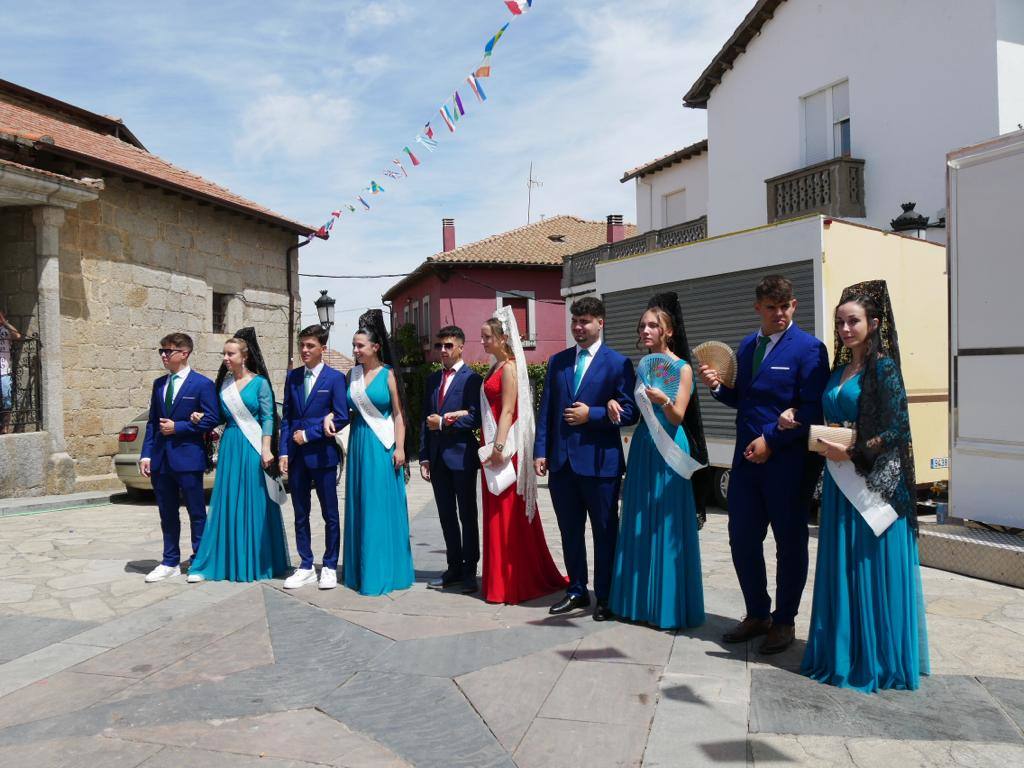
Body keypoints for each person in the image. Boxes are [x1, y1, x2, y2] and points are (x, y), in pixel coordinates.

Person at [791, 282, 929, 692]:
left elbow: (896, 428)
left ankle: (874, 658)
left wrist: (851, 452)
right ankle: (842, 651)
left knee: (867, 568)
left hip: (868, 485)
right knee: (842, 566)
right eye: (840, 322)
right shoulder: (838, 371)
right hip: (838, 485)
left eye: (854, 321)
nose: (846, 328)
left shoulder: (882, 368)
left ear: (874, 323)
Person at [698, 275, 830, 654]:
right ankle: (758, 613)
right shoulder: (746, 345)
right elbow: (743, 399)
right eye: (771, 307)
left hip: (789, 465)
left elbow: (812, 409)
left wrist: (771, 440)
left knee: (789, 545)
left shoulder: (810, 350)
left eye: (785, 306)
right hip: (747, 463)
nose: (780, 314)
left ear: (795, 306)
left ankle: (784, 621)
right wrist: (717, 386)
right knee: (741, 539)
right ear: (758, 308)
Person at [535, 296, 638, 621]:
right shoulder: (558, 361)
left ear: (600, 323)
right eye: (575, 322)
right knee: (569, 531)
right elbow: (547, 410)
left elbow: (630, 412)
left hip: (600, 464)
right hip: (562, 464)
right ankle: (577, 590)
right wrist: (541, 450)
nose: (579, 328)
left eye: (585, 322)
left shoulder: (618, 363)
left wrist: (591, 414)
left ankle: (606, 596)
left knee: (605, 532)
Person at [609, 293, 706, 629]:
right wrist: (616, 407)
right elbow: (636, 411)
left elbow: (678, 416)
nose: (646, 330)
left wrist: (663, 398)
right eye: (643, 326)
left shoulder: (683, 368)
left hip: (669, 446)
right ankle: (637, 602)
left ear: (668, 331)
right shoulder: (644, 365)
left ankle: (665, 606)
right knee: (638, 519)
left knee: (665, 521)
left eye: (653, 325)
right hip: (643, 445)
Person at [477, 308, 567, 604]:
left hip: (505, 450)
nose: (483, 342)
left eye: (487, 337)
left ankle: (512, 581)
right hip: (493, 446)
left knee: (508, 516)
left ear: (503, 338)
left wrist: (499, 448)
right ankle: (497, 580)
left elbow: (507, 410)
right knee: (494, 513)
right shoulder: (494, 366)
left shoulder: (510, 368)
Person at [186, 330, 291, 582]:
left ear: (243, 357)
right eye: (224, 353)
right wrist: (202, 418)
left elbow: (268, 417)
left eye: (230, 353)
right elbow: (222, 416)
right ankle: (222, 561)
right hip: (231, 445)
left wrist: (267, 448)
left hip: (253, 447)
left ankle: (255, 560)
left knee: (254, 502)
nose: (225, 357)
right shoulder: (224, 385)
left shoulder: (260, 384)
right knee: (227, 501)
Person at [327, 310, 414, 595]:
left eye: (360, 345)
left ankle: (385, 570)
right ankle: (360, 570)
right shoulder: (351, 375)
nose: (355, 350)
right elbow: (342, 410)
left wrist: (400, 448)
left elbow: (399, 416)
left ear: (376, 347)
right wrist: (329, 418)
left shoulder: (389, 375)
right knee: (361, 504)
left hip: (382, 444)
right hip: (360, 443)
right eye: (353, 345)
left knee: (380, 506)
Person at [139, 332, 219, 583]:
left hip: (188, 458)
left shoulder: (202, 384)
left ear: (184, 353)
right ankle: (170, 561)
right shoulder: (159, 384)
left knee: (197, 511)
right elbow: (152, 422)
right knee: (167, 512)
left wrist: (180, 427)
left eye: (168, 351)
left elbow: (212, 419)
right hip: (162, 460)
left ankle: (200, 560)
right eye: (161, 351)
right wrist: (146, 455)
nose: (163, 355)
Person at [279, 325, 350, 590]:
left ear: (323, 348)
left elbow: (341, 416)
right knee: (300, 513)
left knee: (330, 514)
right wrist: (284, 450)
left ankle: (330, 565)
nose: (305, 350)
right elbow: (287, 417)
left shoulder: (334, 379)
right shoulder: (293, 377)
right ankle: (306, 565)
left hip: (322, 456)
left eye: (310, 346)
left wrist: (308, 435)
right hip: (296, 457)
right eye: (302, 345)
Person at [419, 325, 483, 594]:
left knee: (467, 515)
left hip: (462, 456)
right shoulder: (432, 380)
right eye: (439, 346)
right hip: (437, 459)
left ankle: (470, 570)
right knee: (446, 515)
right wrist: (423, 457)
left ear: (460, 347)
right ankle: (453, 566)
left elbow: (476, 417)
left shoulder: (472, 379)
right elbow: (425, 420)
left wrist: (445, 422)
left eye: (448, 346)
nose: (442, 350)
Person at [0, 310, 21, 434]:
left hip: (4, 371)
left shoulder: (5, 330)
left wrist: (5, 323)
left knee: (6, 399)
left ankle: (5, 426)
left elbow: (17, 336)